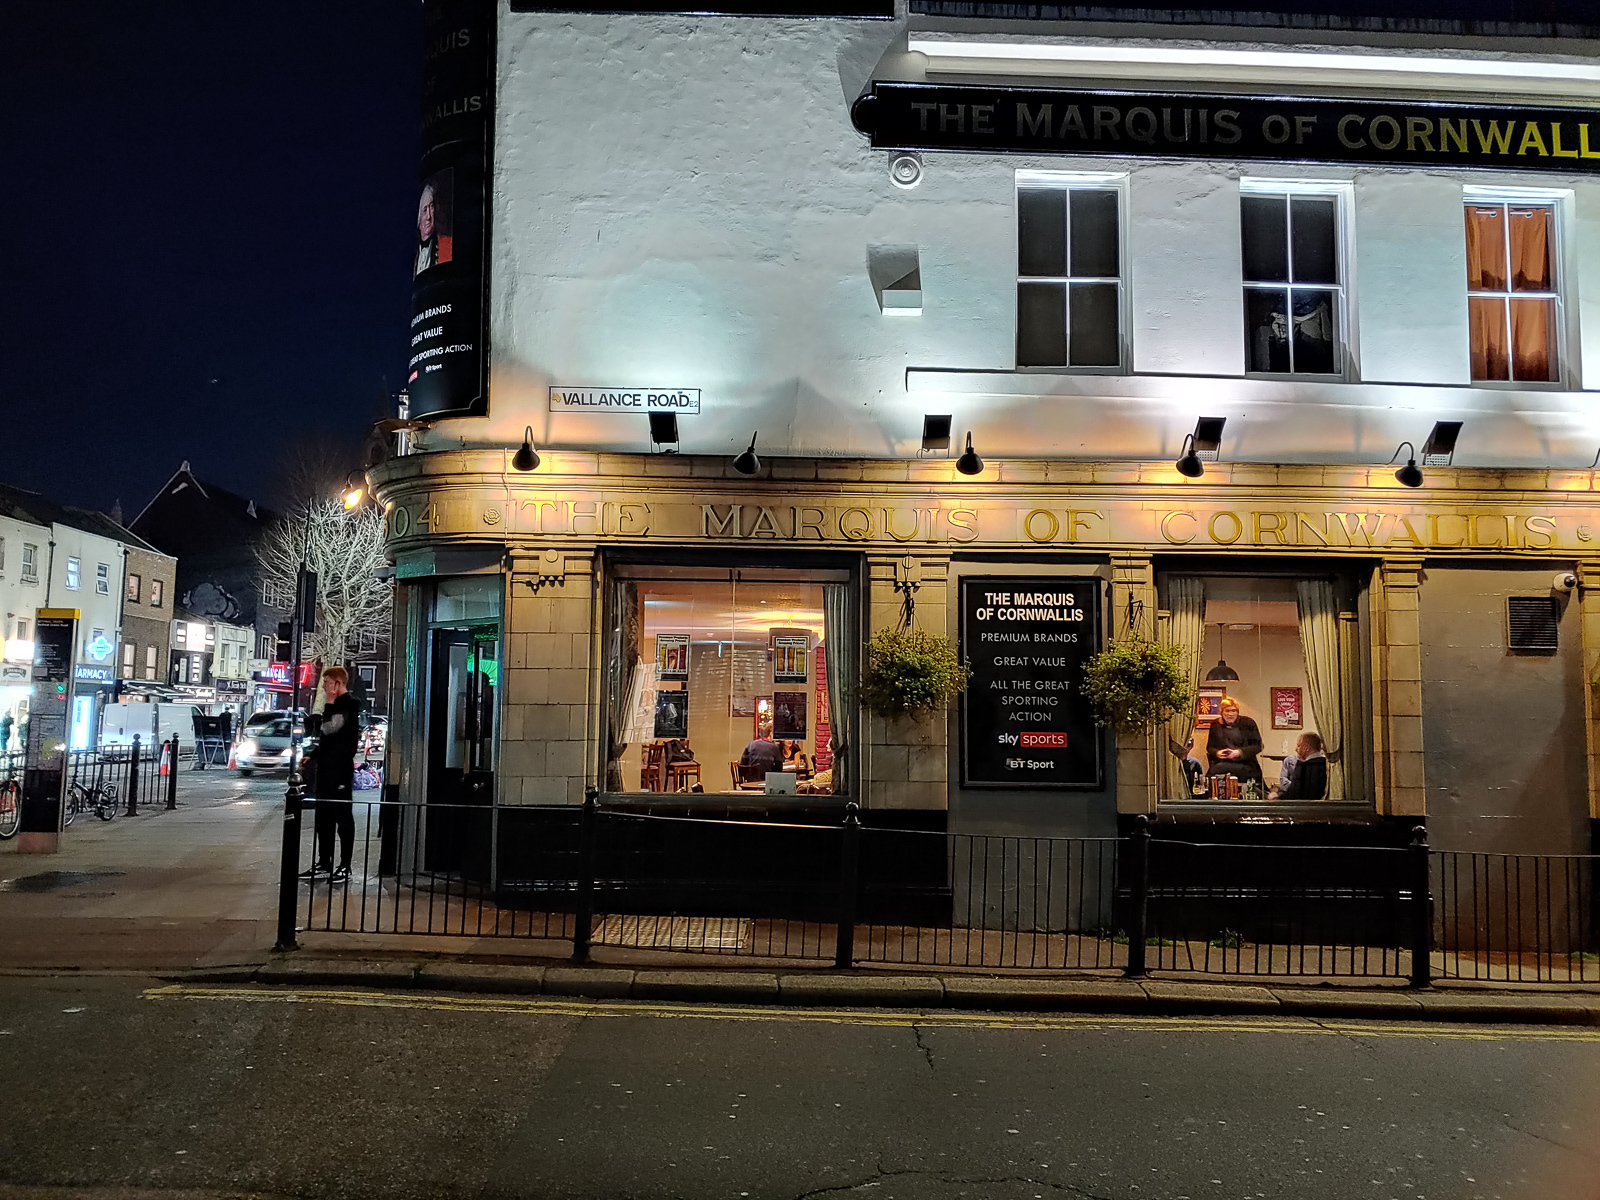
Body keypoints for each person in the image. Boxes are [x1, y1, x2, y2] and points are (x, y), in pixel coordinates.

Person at [304, 667, 361, 884]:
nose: (324, 686)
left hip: (339, 770)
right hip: (326, 769)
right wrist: (313, 755)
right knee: (323, 818)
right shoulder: (336, 705)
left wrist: (328, 702)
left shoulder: (348, 704)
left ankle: (345, 866)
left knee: (342, 817)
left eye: (327, 682)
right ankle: (324, 862)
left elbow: (329, 729)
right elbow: (327, 739)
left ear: (338, 683)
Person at [1206, 698, 1263, 786]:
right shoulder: (1215, 725)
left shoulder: (1248, 723)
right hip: (1222, 763)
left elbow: (1258, 746)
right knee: (1213, 775)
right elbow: (1210, 747)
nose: (1230, 714)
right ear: (1221, 712)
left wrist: (1239, 752)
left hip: (1245, 763)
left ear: (1237, 712)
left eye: (1234, 711)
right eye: (1227, 711)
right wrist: (1217, 753)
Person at [1273, 732, 1328, 801]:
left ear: (1306, 748)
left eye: (1299, 746)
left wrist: (1277, 797)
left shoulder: (1303, 767)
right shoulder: (1327, 765)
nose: (1296, 749)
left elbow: (1293, 794)